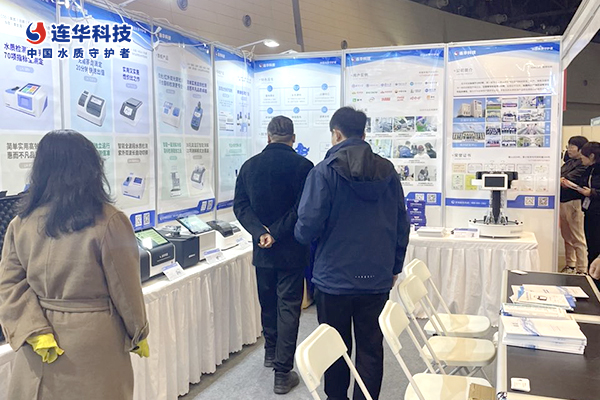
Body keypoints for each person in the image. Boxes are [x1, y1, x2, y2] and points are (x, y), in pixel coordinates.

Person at [0, 130, 149, 400]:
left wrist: (34, 330)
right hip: (94, 343)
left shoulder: (21, 223)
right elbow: (126, 290)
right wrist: (138, 331)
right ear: (91, 167)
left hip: (39, 348)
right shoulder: (109, 221)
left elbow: (9, 285)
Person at [295, 107, 410, 400]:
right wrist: (394, 267)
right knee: (371, 348)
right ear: (364, 133)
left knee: (334, 347)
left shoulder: (323, 172)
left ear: (336, 134)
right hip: (377, 277)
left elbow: (306, 227)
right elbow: (402, 223)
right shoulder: (388, 171)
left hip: (333, 278)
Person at [233, 116, 313, 394]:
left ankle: (270, 351)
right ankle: (282, 372)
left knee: (267, 302)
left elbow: (240, 206)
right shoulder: (304, 167)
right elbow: (302, 209)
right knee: (288, 307)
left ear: (268, 137)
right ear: (293, 138)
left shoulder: (249, 166)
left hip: (262, 249)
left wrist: (260, 232)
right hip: (291, 249)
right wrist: (276, 233)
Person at [559, 136, 588, 274]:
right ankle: (570, 264)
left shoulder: (583, 164)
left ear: (581, 149)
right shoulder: (568, 163)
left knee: (578, 237)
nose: (569, 149)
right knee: (567, 236)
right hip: (563, 202)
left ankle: (582, 269)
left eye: (572, 146)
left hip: (575, 202)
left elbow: (567, 179)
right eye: (568, 146)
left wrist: (562, 180)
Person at [573, 141, 600, 290]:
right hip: (589, 213)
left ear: (592, 156)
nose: (581, 159)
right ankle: (592, 280)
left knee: (596, 248)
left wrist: (592, 193)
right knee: (591, 247)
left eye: (583, 156)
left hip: (597, 212)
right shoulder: (588, 169)